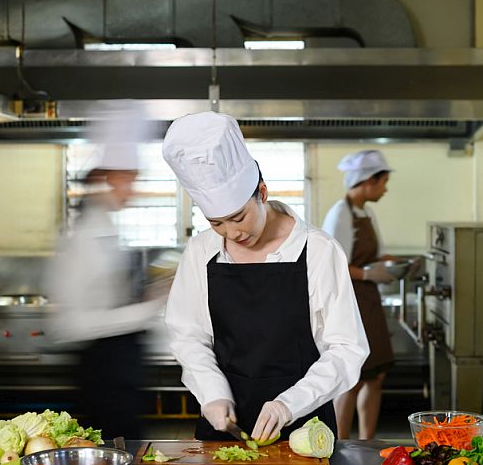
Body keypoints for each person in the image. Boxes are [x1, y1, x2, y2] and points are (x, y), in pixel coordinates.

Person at [162, 111, 368, 444]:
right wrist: (212, 394)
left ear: (262, 191)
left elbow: (347, 349)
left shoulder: (317, 250)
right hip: (224, 428)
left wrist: (289, 404)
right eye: (217, 223)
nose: (231, 233)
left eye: (238, 217)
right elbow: (188, 336)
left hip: (304, 428)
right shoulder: (201, 251)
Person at [44, 101, 164, 440]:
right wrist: (144, 310)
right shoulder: (82, 237)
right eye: (129, 180)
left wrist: (147, 296)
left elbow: (108, 298)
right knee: (112, 459)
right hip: (102, 374)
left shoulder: (105, 225)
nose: (133, 190)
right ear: (108, 179)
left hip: (121, 372)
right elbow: (71, 323)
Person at [322, 149, 399, 440]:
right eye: (383, 182)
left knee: (376, 376)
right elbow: (334, 264)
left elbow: (377, 255)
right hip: (349, 302)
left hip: (369, 301)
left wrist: (403, 263)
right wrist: (368, 274)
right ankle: (340, 444)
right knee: (351, 379)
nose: (385, 189)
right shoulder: (340, 213)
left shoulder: (366, 212)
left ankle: (368, 442)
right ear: (369, 181)